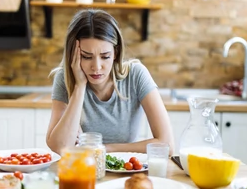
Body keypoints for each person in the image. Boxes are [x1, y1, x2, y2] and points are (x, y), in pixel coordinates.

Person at [46, 9, 174, 155]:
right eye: (86, 57)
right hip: (83, 170)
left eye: (105, 56)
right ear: (73, 55)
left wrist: (103, 149)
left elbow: (167, 145)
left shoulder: (136, 75)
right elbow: (59, 147)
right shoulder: (64, 79)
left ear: (116, 53)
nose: (96, 67)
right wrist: (79, 87)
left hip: (125, 169)